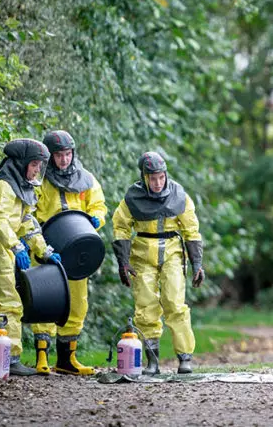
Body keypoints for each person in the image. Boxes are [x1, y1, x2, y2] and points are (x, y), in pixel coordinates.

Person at [0, 139, 62, 376]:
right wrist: (16, 247)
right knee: (10, 303)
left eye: (39, 165)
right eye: (34, 164)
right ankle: (10, 359)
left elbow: (27, 225)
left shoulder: (22, 187)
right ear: (22, 163)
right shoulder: (3, 186)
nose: (37, 170)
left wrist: (44, 251)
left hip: (1, 248)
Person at [112, 152, 205, 375]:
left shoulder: (179, 195)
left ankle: (185, 358)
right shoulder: (132, 198)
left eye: (161, 177)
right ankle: (152, 361)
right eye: (152, 178)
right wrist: (123, 261)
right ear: (144, 177)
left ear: (166, 175)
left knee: (175, 303)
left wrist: (197, 263)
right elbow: (121, 228)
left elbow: (191, 230)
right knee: (145, 307)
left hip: (172, 254)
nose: (157, 182)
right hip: (142, 255)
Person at [30, 130, 107, 375]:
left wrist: (97, 219)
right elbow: (29, 210)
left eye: (67, 154)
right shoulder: (38, 180)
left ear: (73, 153)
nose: (64, 159)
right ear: (50, 157)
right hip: (46, 245)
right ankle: (42, 357)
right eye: (58, 155)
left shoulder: (86, 178)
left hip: (76, 247)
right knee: (45, 299)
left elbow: (98, 205)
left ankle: (66, 360)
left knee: (77, 302)